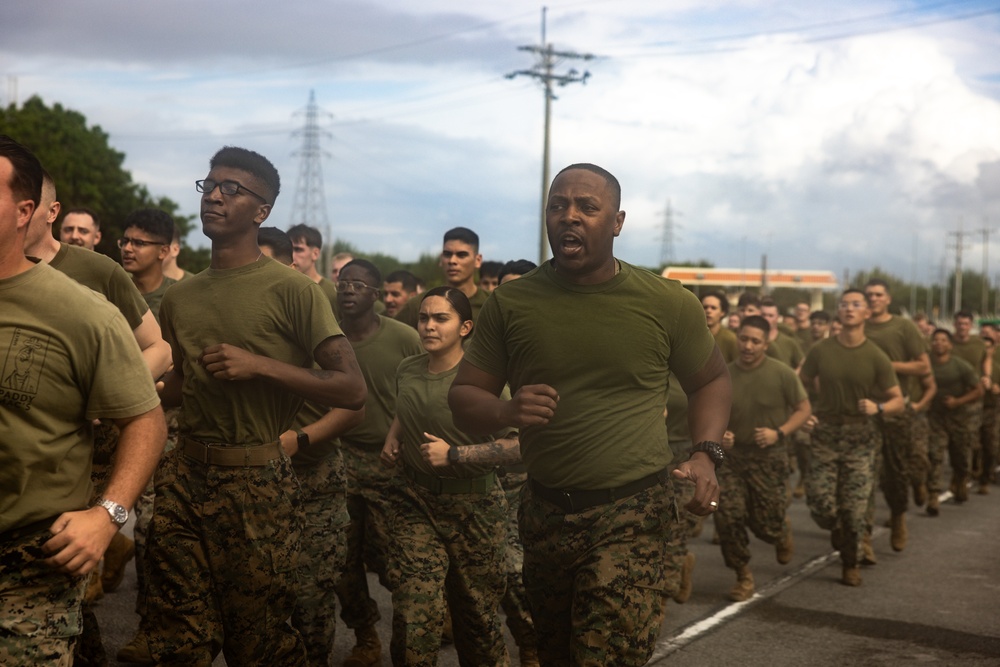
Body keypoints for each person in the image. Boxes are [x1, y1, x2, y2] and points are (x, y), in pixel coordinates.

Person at [448, 163, 731, 665]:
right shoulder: (512, 303)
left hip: (633, 512)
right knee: (556, 654)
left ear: (617, 222)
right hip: (545, 512)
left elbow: (709, 379)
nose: (569, 217)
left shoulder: (667, 301)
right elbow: (465, 397)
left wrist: (706, 452)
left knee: (604, 657)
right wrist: (506, 408)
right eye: (557, 206)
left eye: (586, 208)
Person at [136, 146, 367, 664]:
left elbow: (352, 389)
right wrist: (124, 393)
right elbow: (179, 388)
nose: (214, 196)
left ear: (261, 211)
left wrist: (260, 365)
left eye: (231, 189)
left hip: (255, 486)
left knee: (256, 642)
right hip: (183, 478)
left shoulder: (293, 292)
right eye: (210, 185)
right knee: (174, 638)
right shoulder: (181, 297)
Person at [0, 134, 166, 666]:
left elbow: (146, 419)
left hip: (27, 561)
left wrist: (108, 515)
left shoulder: (82, 310)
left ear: (26, 211)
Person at [381, 287, 514, 667]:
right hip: (415, 501)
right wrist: (394, 438)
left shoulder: (484, 380)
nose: (429, 326)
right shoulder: (408, 368)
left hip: (476, 508)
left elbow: (518, 445)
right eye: (424, 318)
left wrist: (455, 455)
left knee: (477, 622)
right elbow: (405, 409)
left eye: (441, 318)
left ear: (465, 327)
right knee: (413, 610)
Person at [334, 259, 422, 667]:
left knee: (397, 561)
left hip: (391, 463)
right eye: (343, 283)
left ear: (376, 293)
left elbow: (426, 389)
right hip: (341, 458)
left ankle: (416, 633)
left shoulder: (404, 338)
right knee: (342, 559)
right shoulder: (328, 337)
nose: (348, 290)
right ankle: (366, 637)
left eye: (358, 285)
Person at [798, 288, 904, 587]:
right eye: (844, 304)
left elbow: (898, 400)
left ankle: (850, 561)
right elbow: (799, 385)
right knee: (820, 504)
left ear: (866, 313)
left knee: (855, 508)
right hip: (826, 433)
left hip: (861, 436)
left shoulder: (876, 356)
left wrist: (878, 406)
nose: (848, 309)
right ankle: (838, 530)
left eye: (856, 304)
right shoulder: (821, 350)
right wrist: (805, 414)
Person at [718, 316, 811, 601]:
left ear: (766, 344)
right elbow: (707, 412)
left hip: (769, 457)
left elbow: (803, 409)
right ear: (737, 337)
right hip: (732, 459)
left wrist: (778, 433)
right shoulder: (722, 374)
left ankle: (780, 531)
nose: (748, 345)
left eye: (755, 341)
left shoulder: (782, 374)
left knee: (766, 523)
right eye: (743, 339)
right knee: (727, 516)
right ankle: (742, 575)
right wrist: (719, 434)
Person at [862, 278, 933, 553]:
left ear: (888, 299)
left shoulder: (904, 327)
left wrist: (887, 366)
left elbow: (923, 367)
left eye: (878, 295)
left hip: (895, 411)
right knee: (865, 474)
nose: (873, 299)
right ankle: (863, 536)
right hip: (864, 411)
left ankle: (898, 516)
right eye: (869, 295)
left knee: (895, 472)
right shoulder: (860, 327)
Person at [928, 329, 983, 505]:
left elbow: (978, 390)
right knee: (934, 455)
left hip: (959, 418)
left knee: (959, 455)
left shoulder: (960, 366)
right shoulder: (926, 364)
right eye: (936, 340)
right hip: (935, 417)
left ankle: (960, 480)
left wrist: (958, 401)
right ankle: (933, 495)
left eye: (943, 340)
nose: (939, 343)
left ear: (950, 345)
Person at [395, 227, 488, 329]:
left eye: (461, 255)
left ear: (478, 260)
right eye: (447, 254)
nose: (452, 261)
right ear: (441, 259)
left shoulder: (492, 304)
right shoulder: (418, 305)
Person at [120, 208, 176, 323]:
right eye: (125, 241)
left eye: (139, 243)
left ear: (163, 252)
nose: (127, 248)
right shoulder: (113, 292)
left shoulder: (177, 297)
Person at [289, 224, 340, 318]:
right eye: (288, 249)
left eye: (298, 249)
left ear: (315, 254)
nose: (292, 256)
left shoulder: (332, 293)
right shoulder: (280, 289)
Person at [760, 297, 805, 368]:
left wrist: (792, 376)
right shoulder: (752, 340)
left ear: (777, 317)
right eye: (763, 315)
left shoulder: (789, 342)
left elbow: (802, 364)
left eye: (770, 315)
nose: (766, 318)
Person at [703, 289, 738, 362]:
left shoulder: (731, 339)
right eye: (705, 307)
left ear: (722, 312)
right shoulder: (692, 337)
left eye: (713, 308)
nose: (708, 311)